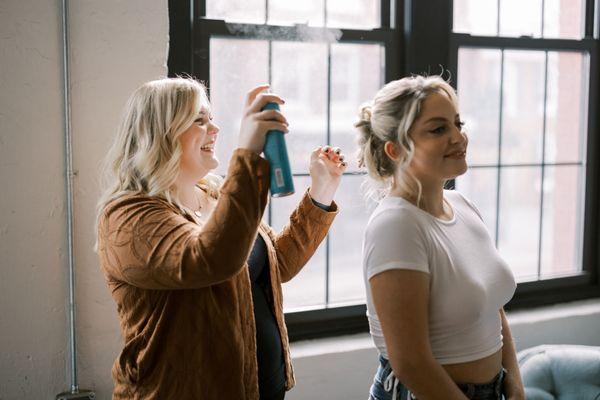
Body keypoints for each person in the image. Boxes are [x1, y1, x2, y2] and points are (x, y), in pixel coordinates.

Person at [95, 77, 347, 399]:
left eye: (211, 118)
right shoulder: (129, 218)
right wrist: (247, 154)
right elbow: (211, 259)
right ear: (160, 133)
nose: (214, 129)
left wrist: (321, 191)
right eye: (199, 120)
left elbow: (277, 264)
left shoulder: (213, 196)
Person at [356, 75, 525, 400]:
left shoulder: (461, 205)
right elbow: (411, 364)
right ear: (395, 149)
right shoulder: (396, 225)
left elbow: (490, 307)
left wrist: (514, 383)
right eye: (438, 129)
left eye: (457, 123)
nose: (459, 137)